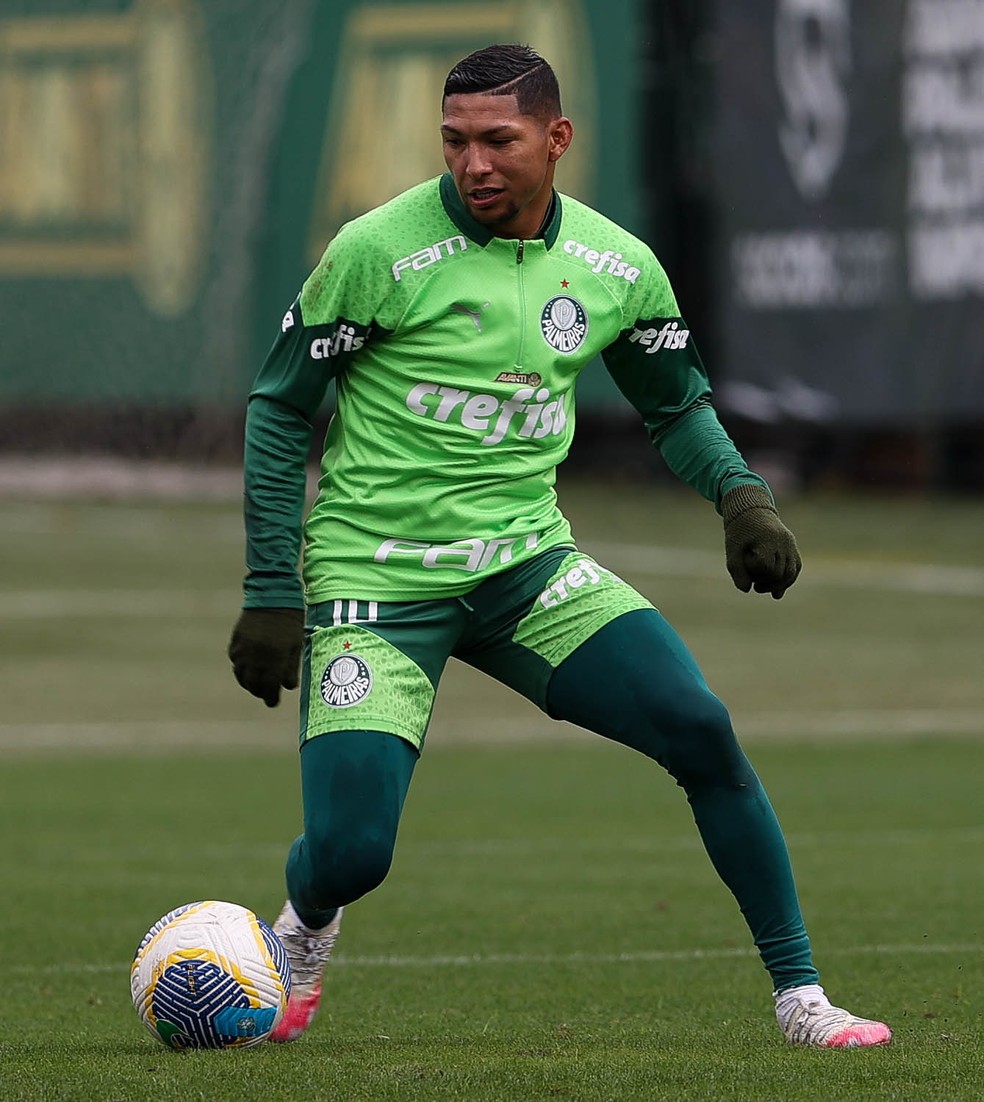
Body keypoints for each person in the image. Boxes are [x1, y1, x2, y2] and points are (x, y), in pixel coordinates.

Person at [228, 43, 891, 1048]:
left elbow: (677, 405)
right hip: (377, 581)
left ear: (557, 138)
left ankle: (801, 998)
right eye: (455, 141)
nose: (474, 163)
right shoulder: (375, 251)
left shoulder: (617, 265)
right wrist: (272, 589)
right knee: (354, 853)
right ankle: (306, 920)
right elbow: (281, 410)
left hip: (528, 570)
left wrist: (743, 499)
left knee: (700, 728)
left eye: (499, 140)